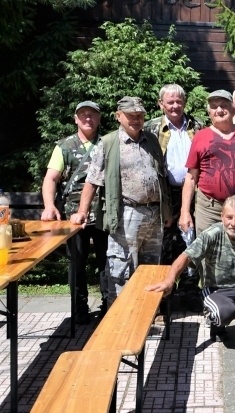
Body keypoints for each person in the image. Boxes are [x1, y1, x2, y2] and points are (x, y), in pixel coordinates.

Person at [146, 195, 235, 348]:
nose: (233, 223)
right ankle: (217, 326)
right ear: (222, 217)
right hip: (216, 291)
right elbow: (186, 257)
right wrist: (170, 280)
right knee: (225, 313)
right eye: (229, 217)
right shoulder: (212, 234)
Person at [70, 97, 172, 306]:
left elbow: (161, 178)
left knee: (151, 268)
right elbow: (91, 182)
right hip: (126, 214)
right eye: (130, 115)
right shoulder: (108, 143)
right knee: (122, 268)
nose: (136, 119)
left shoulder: (152, 140)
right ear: (118, 116)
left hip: (154, 215)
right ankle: (120, 314)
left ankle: (147, 313)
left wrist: (166, 211)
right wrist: (82, 211)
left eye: (140, 115)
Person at [41, 100, 109, 323]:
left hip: (104, 213)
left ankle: (108, 306)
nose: (88, 118)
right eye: (83, 114)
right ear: (76, 118)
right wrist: (50, 206)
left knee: (107, 262)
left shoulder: (109, 143)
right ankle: (79, 309)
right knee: (76, 263)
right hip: (74, 217)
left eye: (92, 114)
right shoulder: (64, 146)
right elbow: (51, 178)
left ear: (99, 118)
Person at [144, 84, 203, 310]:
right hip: (164, 197)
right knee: (165, 244)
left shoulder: (197, 126)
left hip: (194, 195)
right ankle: (165, 296)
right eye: (170, 102)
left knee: (192, 242)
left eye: (179, 101)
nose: (175, 105)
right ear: (161, 104)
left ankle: (189, 290)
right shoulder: (151, 128)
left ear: (184, 102)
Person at [180, 90, 235, 235]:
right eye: (214, 106)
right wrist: (185, 212)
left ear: (233, 109)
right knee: (208, 253)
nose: (219, 110)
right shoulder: (200, 136)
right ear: (209, 112)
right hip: (211, 210)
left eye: (224, 105)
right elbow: (191, 178)